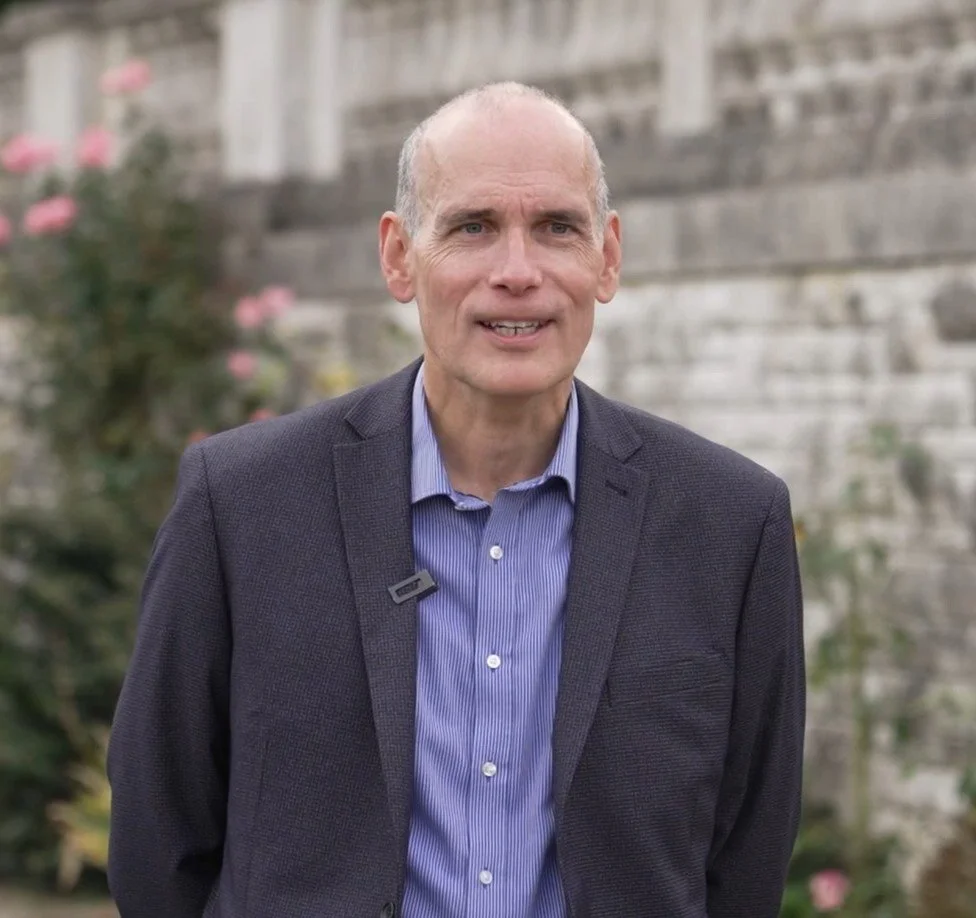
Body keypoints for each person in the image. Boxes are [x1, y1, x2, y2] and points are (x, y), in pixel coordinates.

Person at [107, 82, 805, 918]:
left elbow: (746, 858)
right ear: (400, 257)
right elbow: (158, 842)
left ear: (608, 258)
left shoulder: (732, 526)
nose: (518, 273)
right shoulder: (241, 506)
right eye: (473, 228)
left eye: (557, 228)